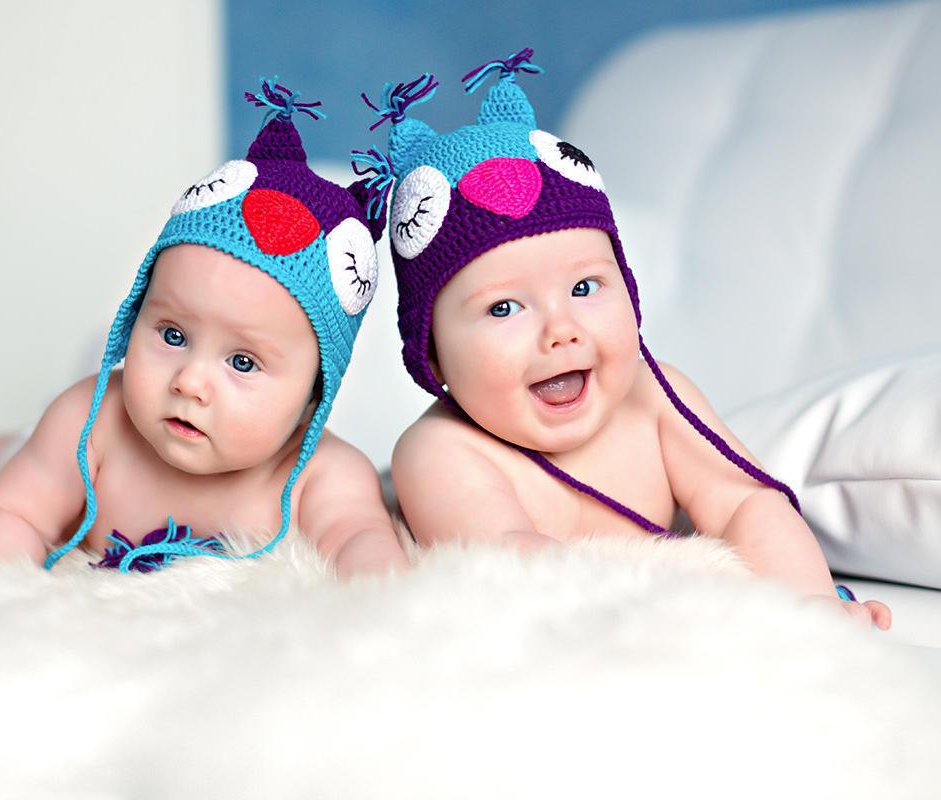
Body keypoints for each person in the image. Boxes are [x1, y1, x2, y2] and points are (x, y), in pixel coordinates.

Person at [368, 50, 889, 627]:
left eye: (586, 286)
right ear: (432, 352)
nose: (561, 330)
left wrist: (809, 605)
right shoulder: (441, 452)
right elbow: (509, 562)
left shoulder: (656, 397)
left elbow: (747, 500)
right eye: (504, 307)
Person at [0, 80, 408, 580]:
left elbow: (361, 537)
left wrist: (374, 586)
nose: (189, 382)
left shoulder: (320, 474)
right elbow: (12, 514)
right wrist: (6, 577)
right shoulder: (89, 424)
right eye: (172, 335)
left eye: (242, 362)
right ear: (136, 315)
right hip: (53, 443)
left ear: (312, 396)